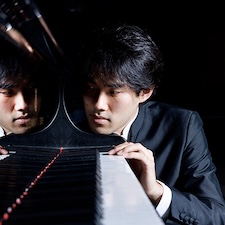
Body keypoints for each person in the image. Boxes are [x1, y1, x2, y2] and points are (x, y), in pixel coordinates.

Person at [70, 22, 225, 224]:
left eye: (113, 92)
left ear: (145, 93)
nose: (98, 104)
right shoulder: (69, 125)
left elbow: (215, 215)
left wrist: (156, 192)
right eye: (91, 88)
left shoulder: (182, 126)